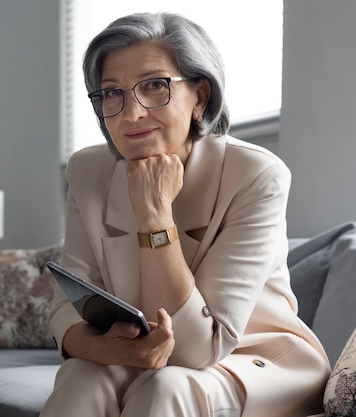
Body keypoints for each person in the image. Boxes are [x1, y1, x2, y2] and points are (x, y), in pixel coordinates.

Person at [40, 12, 330, 417]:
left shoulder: (256, 175)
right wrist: (107, 348)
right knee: (81, 379)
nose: (131, 113)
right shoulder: (88, 170)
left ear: (200, 98)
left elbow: (198, 348)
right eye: (111, 94)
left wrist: (154, 215)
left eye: (155, 86)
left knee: (167, 388)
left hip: (257, 360)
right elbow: (62, 312)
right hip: (148, 359)